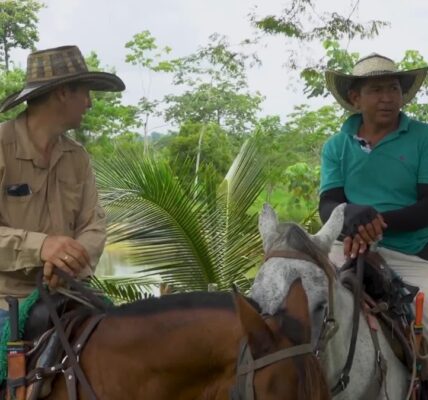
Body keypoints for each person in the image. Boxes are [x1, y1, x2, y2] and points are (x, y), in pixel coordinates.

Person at [0, 45, 125, 327]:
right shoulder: (1, 147)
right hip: (6, 301)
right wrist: (41, 246)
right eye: (85, 93)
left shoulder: (77, 157)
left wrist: (68, 261)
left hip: (68, 295)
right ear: (63, 93)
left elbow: (94, 226)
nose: (89, 103)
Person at [319, 53, 428, 323]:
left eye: (394, 89)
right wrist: (350, 217)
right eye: (377, 90)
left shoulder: (423, 137)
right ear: (355, 98)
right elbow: (327, 205)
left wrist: (371, 223)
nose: (388, 98)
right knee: (300, 304)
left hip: (409, 253)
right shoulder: (336, 146)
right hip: (347, 248)